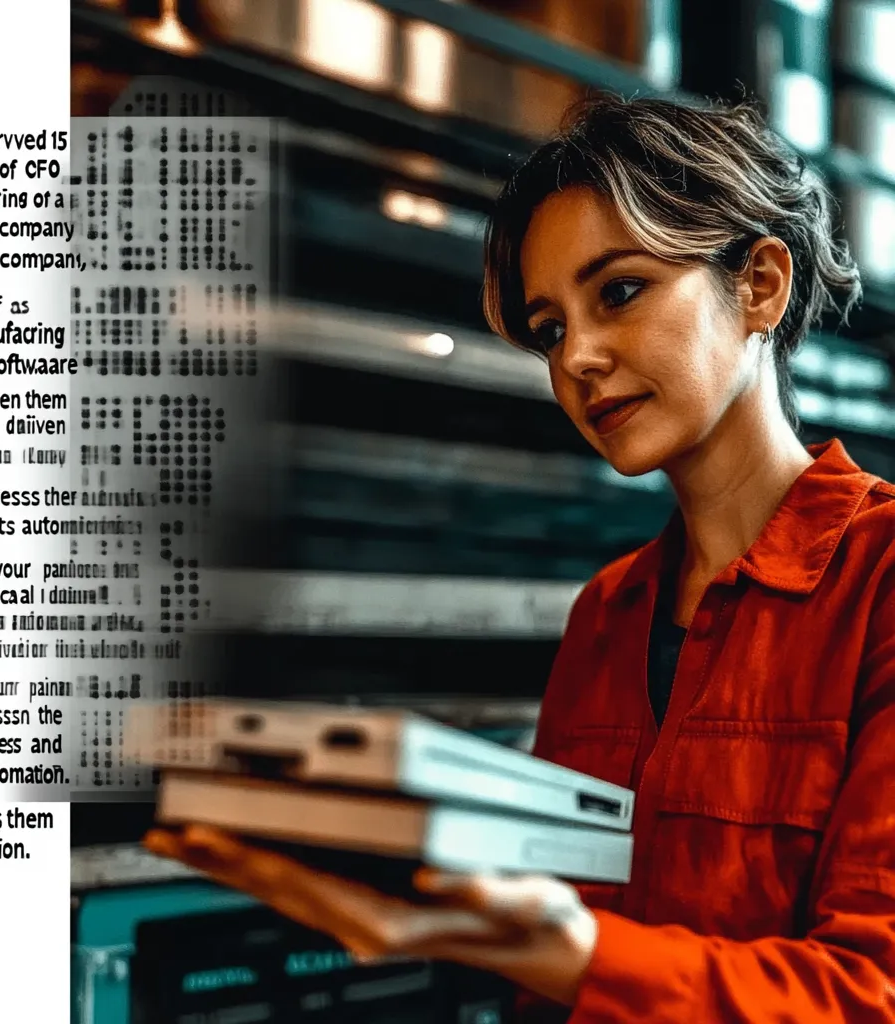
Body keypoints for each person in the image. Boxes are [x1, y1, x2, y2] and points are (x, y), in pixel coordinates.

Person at [145, 93, 895, 1021]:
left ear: (761, 286)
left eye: (619, 291)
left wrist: (572, 953)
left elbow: (870, 995)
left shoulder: (882, 584)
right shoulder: (607, 616)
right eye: (549, 329)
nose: (577, 356)